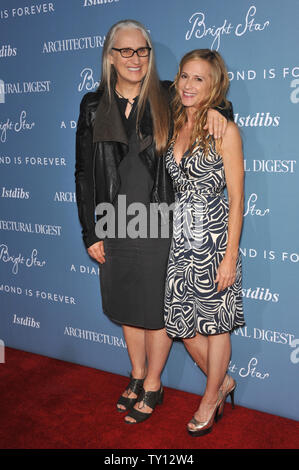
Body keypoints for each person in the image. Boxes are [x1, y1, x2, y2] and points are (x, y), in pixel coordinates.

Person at [75, 20, 230, 425]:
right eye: (125, 51)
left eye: (141, 50)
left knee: (156, 307)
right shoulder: (92, 105)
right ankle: (137, 374)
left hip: (160, 216)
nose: (134, 58)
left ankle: (155, 383)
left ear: (150, 54)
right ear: (110, 57)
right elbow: (82, 172)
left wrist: (219, 108)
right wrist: (90, 230)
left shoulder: (166, 93)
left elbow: (207, 99)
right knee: (128, 305)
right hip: (115, 219)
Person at [164, 49, 245, 436]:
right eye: (184, 76)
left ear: (214, 85)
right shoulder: (176, 118)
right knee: (180, 325)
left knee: (217, 328)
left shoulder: (225, 130)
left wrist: (229, 257)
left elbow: (237, 199)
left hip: (213, 241)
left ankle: (210, 398)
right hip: (181, 238)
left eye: (199, 78)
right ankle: (224, 382)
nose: (188, 85)